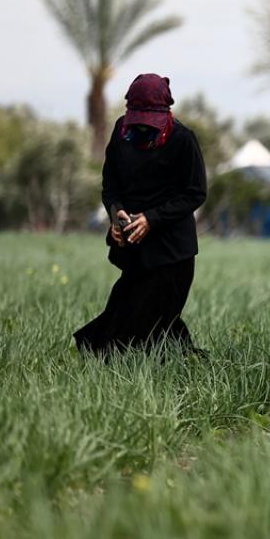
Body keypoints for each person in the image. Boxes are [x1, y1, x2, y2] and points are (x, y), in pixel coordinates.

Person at [74, 74, 207, 357]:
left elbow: (195, 193)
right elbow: (111, 185)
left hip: (173, 254)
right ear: (128, 112)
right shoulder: (121, 132)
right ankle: (188, 365)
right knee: (133, 322)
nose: (144, 127)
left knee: (142, 330)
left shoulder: (183, 139)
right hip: (137, 252)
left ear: (166, 112)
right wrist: (116, 215)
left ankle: (183, 370)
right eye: (139, 119)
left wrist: (152, 219)